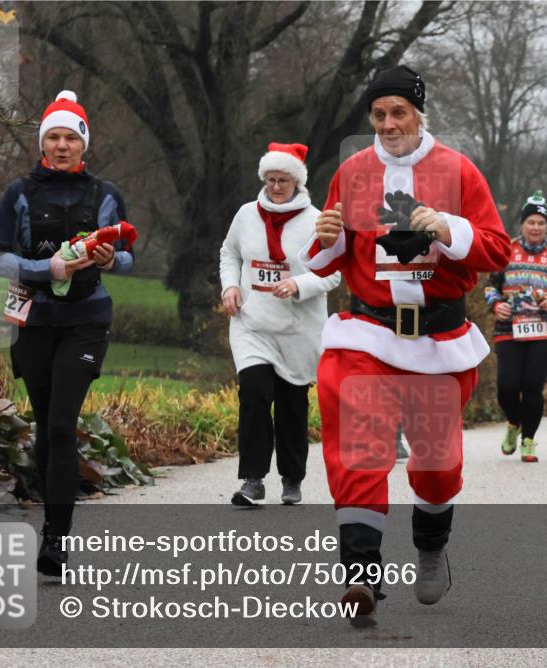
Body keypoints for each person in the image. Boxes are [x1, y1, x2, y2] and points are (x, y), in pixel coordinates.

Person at [300, 65, 510, 625]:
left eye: (399, 112)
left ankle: (431, 546)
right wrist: (324, 240)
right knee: (358, 444)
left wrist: (446, 228)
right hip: (366, 331)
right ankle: (361, 575)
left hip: (438, 337)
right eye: (379, 114)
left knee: (437, 465)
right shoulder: (352, 171)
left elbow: (495, 250)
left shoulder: (459, 171)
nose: (389, 124)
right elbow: (329, 253)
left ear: (419, 114)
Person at [0, 91, 135, 575]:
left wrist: (113, 258)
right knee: (46, 425)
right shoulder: (20, 193)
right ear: (42, 143)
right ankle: (52, 521)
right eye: (54, 136)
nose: (62, 144)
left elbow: (130, 255)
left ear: (83, 144)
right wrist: (44, 266)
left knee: (60, 425)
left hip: (86, 320)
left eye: (71, 136)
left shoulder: (105, 194)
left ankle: (55, 540)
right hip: (33, 321)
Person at [219, 143, 341, 506]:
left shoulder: (316, 220)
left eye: (282, 180)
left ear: (297, 182)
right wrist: (229, 286)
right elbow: (230, 253)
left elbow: (332, 274)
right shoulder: (245, 215)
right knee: (254, 394)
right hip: (252, 324)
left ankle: (292, 477)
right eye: (270, 180)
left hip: (297, 329)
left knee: (291, 404)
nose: (275, 187)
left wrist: (299, 284)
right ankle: (252, 480)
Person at [485, 191, 547, 462]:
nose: (536, 227)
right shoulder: (505, 251)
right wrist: (496, 305)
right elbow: (491, 286)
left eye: (541, 223)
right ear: (522, 224)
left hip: (546, 329)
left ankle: (529, 440)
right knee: (508, 386)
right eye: (531, 222)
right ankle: (513, 422)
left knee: (533, 383)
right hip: (509, 327)